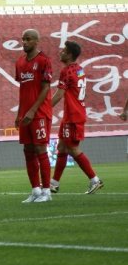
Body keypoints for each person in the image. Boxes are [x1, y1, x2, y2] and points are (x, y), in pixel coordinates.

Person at [49, 41, 103, 194]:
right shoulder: (79, 70)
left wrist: (44, 109)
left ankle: (95, 179)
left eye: (64, 51)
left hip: (73, 116)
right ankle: (54, 183)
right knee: (61, 147)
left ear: (70, 54)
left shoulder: (66, 71)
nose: (61, 52)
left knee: (73, 149)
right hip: (73, 114)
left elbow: (59, 94)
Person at [15, 29, 53, 203]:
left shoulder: (44, 61)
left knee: (40, 149)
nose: (24, 42)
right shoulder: (20, 62)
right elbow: (23, 90)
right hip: (25, 114)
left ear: (37, 41)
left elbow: (46, 88)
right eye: (23, 39)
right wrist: (19, 113)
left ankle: (47, 191)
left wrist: (32, 111)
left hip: (39, 114)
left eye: (28, 39)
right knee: (28, 151)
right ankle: (36, 190)